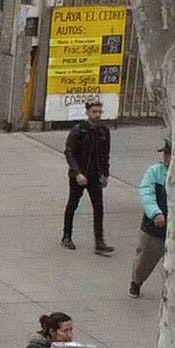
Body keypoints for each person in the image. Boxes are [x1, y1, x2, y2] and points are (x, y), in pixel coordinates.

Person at [62, 101, 113, 252]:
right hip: (79, 176)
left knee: (99, 208)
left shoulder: (104, 131)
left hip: (95, 176)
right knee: (73, 204)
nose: (97, 115)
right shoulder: (79, 130)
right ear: (87, 113)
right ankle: (66, 236)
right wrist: (77, 173)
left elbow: (105, 155)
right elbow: (69, 152)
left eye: (99, 112)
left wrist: (105, 174)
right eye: (94, 112)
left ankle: (99, 241)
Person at [128, 141, 172, 296]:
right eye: (165, 153)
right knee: (146, 257)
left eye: (169, 154)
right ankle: (136, 282)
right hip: (155, 227)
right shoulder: (155, 172)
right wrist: (155, 213)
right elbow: (147, 193)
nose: (166, 157)